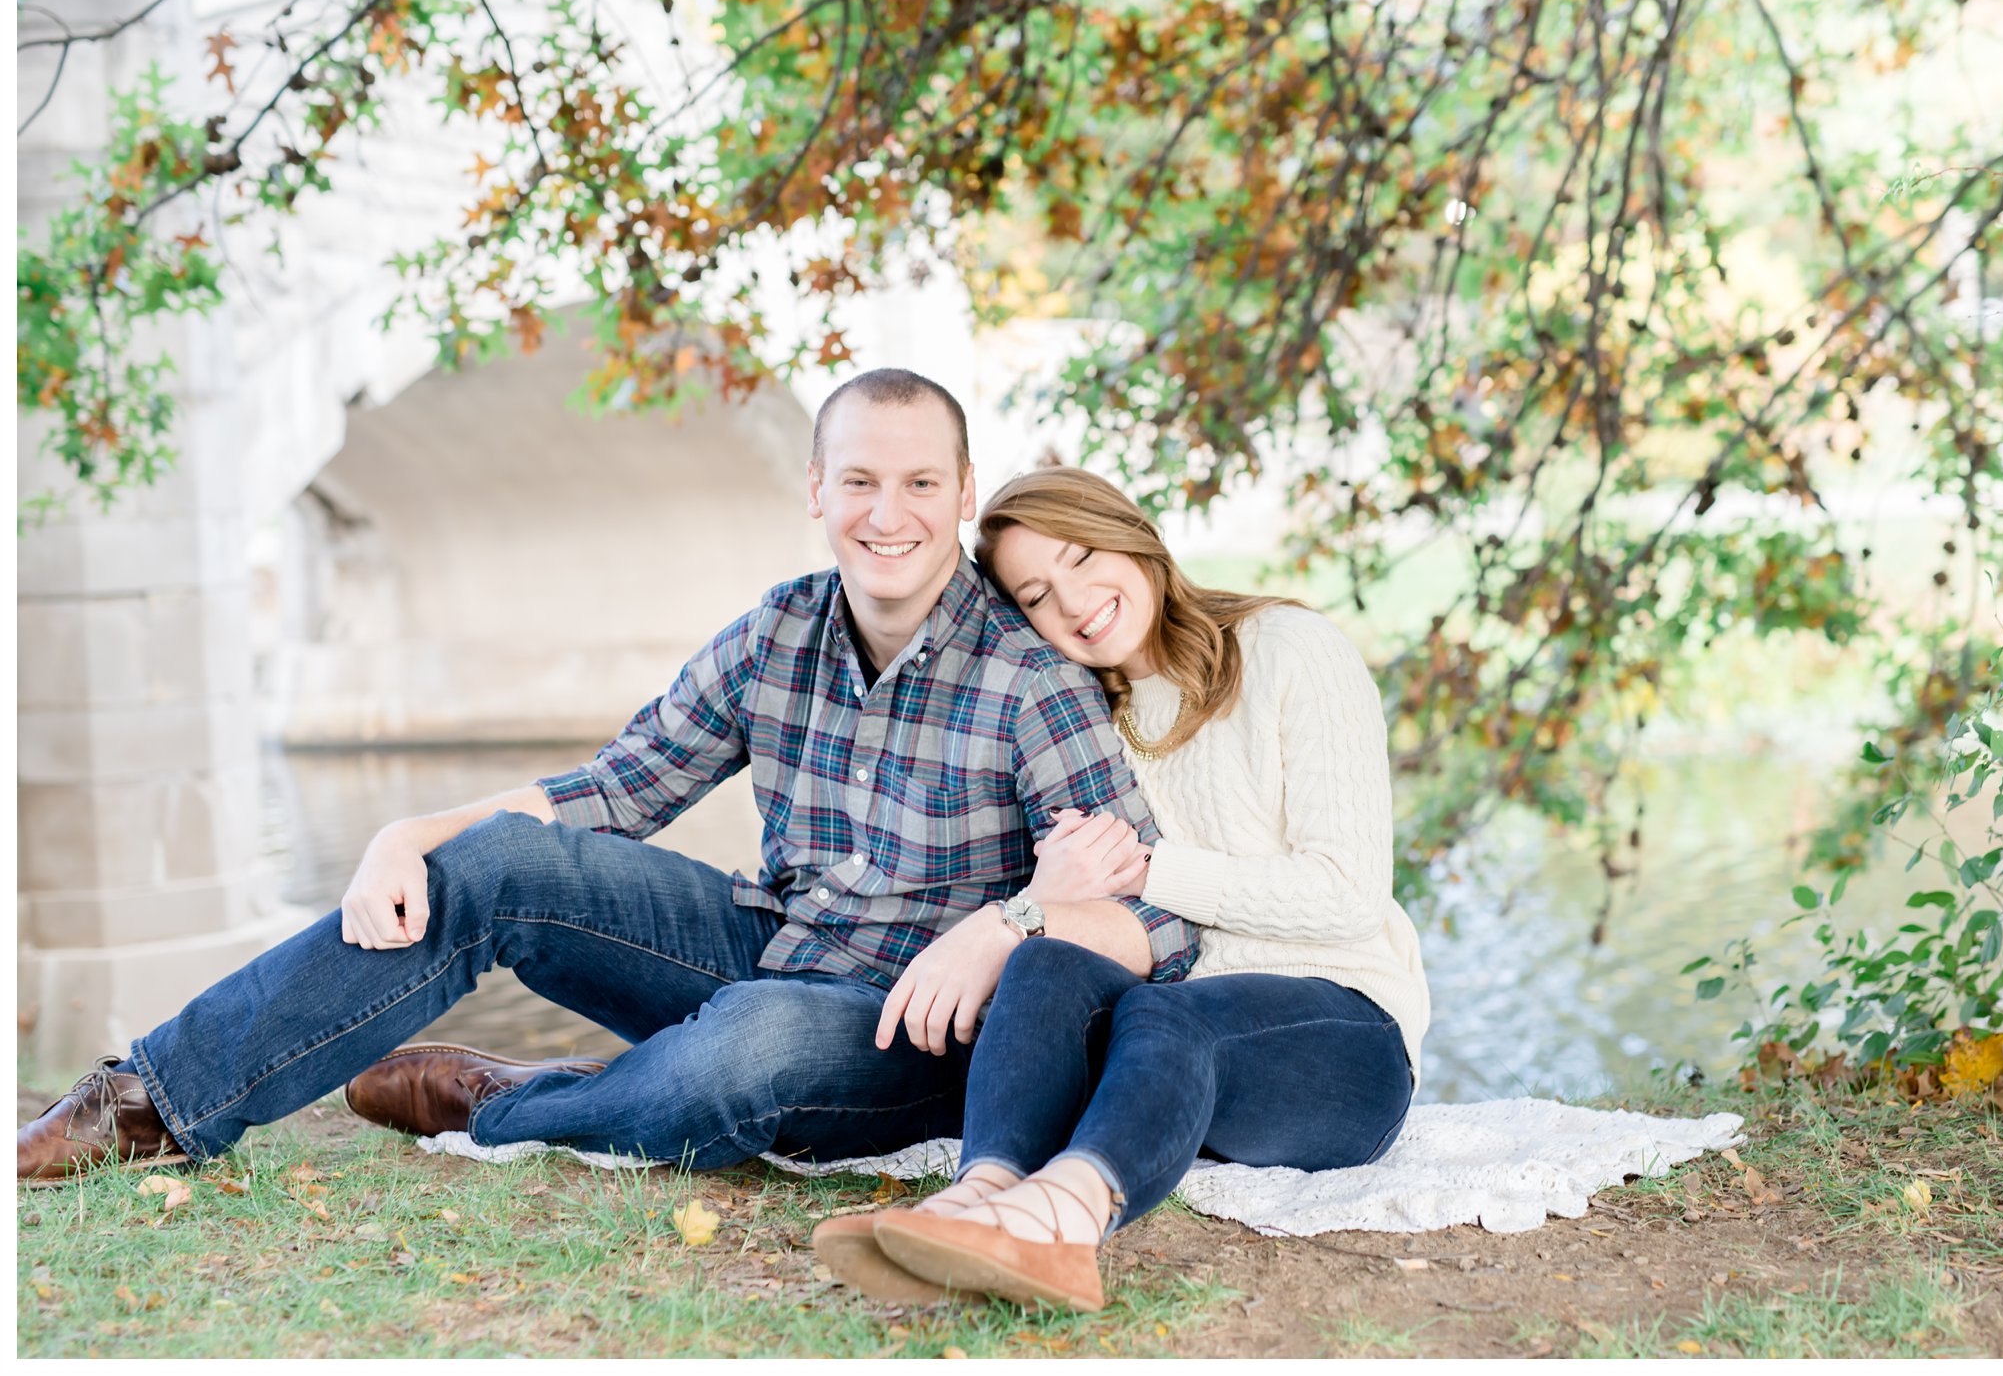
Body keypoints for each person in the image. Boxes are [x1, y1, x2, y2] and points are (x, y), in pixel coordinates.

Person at [18, 373, 1199, 1186]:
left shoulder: (1031, 677)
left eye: (920, 485)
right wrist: (406, 830)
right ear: (815, 489)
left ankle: (511, 1102)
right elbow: (608, 795)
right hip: (767, 942)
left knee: (749, 1046)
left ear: (960, 492)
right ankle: (149, 1104)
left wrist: (1011, 926)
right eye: (859, 483)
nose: (886, 515)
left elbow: (1158, 919)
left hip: (904, 1032)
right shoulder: (774, 634)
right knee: (498, 868)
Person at [837, 465, 1430, 1312]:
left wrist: (1154, 869)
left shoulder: (1292, 650)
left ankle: (1064, 1225)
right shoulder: (1084, 714)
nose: (1073, 602)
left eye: (1082, 557)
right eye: (1037, 594)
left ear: (1134, 536)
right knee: (1046, 963)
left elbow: (1346, 894)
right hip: (1179, 1043)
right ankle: (978, 1197)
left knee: (1163, 1008)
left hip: (1344, 1041)